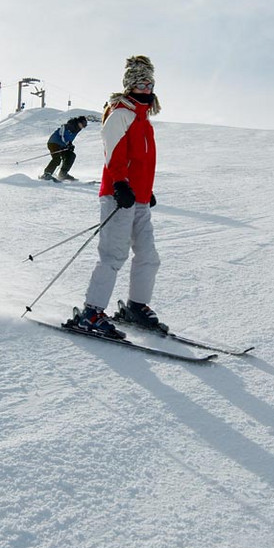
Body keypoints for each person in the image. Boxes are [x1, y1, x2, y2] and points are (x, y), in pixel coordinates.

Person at [71, 55, 162, 339]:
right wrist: (121, 184)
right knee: (113, 254)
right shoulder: (120, 112)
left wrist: (147, 190)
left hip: (139, 198)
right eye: (141, 83)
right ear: (130, 85)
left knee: (148, 255)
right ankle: (91, 312)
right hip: (118, 195)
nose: (147, 88)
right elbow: (114, 154)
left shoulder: (143, 118)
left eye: (150, 83)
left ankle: (136, 307)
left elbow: (142, 162)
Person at [40, 116, 88, 182]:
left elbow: (68, 138)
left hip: (62, 145)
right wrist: (68, 143)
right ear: (79, 122)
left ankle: (62, 174)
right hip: (54, 143)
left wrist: (70, 145)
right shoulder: (70, 126)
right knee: (57, 159)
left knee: (71, 155)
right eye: (83, 124)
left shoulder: (77, 129)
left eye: (85, 125)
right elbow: (62, 135)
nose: (83, 126)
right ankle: (47, 174)